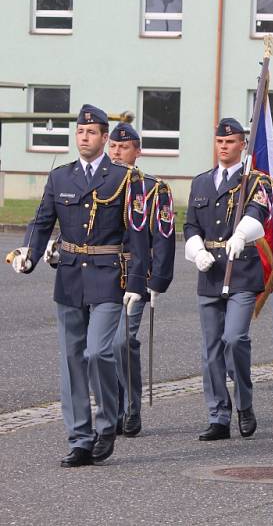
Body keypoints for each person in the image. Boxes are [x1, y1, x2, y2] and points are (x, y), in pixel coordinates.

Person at [10, 104, 149, 466]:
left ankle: (107, 422)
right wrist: (30, 254)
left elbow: (137, 234)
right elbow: (41, 223)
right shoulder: (61, 177)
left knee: (98, 352)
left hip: (108, 276)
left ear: (105, 137)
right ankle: (80, 439)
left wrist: (137, 282)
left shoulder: (123, 178)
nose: (84, 137)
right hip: (70, 277)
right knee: (72, 360)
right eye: (80, 132)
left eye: (91, 133)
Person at [183, 118, 273, 441]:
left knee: (234, 338)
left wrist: (242, 233)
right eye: (220, 142)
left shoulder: (257, 181)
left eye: (231, 142)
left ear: (242, 145)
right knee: (211, 348)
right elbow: (191, 224)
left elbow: (258, 213)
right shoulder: (201, 182)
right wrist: (196, 250)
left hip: (242, 270)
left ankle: (244, 403)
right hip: (210, 271)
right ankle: (219, 414)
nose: (224, 147)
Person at [105, 123, 175, 437]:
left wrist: (157, 280)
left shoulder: (151, 188)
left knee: (123, 341)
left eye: (124, 147)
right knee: (101, 346)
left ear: (137, 151)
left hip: (133, 272)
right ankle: (112, 407)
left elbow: (162, 237)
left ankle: (131, 407)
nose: (117, 152)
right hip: (99, 271)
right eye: (113, 146)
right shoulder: (99, 183)